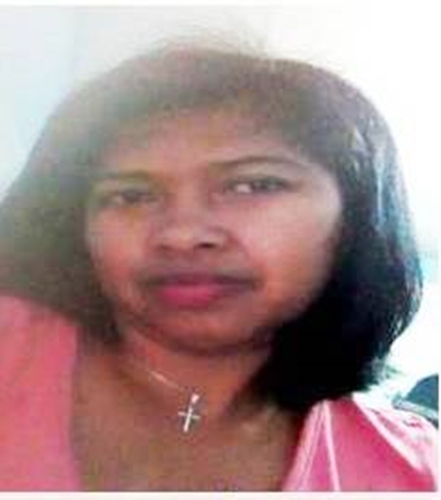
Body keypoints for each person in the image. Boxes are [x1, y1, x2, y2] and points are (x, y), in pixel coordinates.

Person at [0, 43, 437, 491]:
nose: (182, 234)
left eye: (252, 185)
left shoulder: (413, 473)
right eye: (131, 196)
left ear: (354, 219)